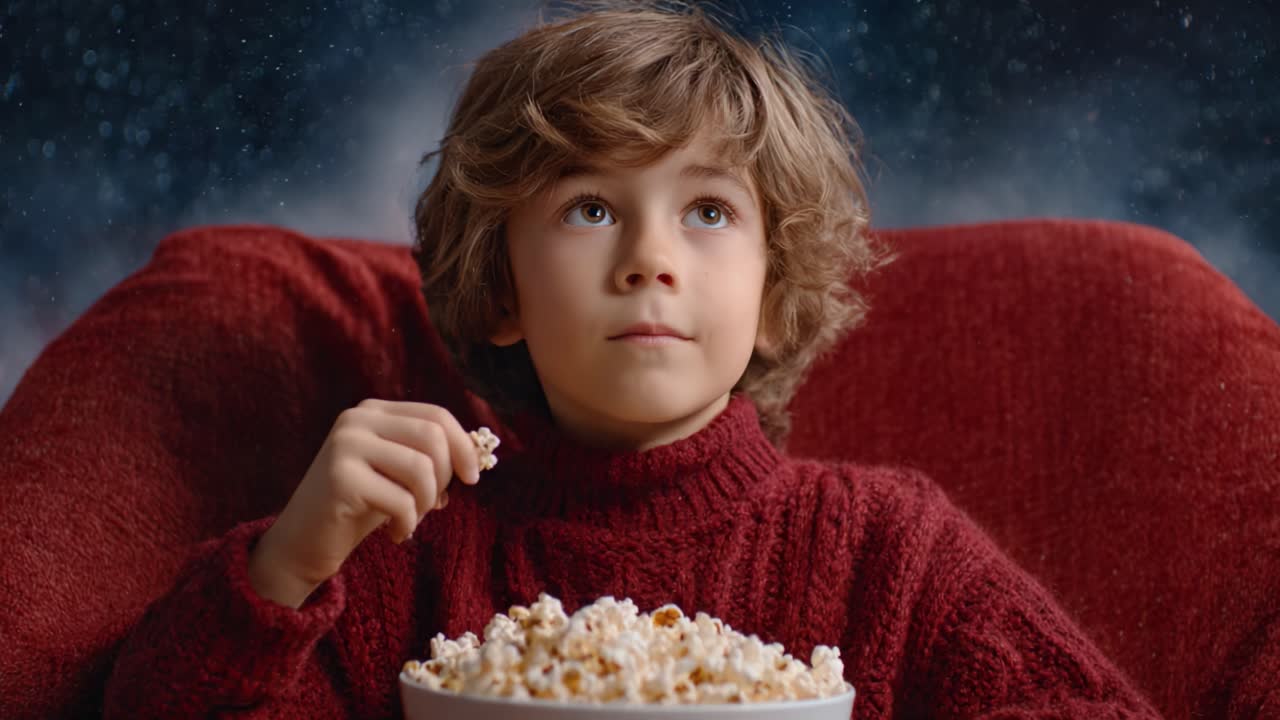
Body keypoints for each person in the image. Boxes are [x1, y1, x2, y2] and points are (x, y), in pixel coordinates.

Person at [102, 1, 1164, 717]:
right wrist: (283, 570)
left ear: (774, 301)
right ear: (501, 293)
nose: (649, 258)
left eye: (706, 209)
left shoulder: (886, 552)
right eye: (590, 207)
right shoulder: (399, 551)